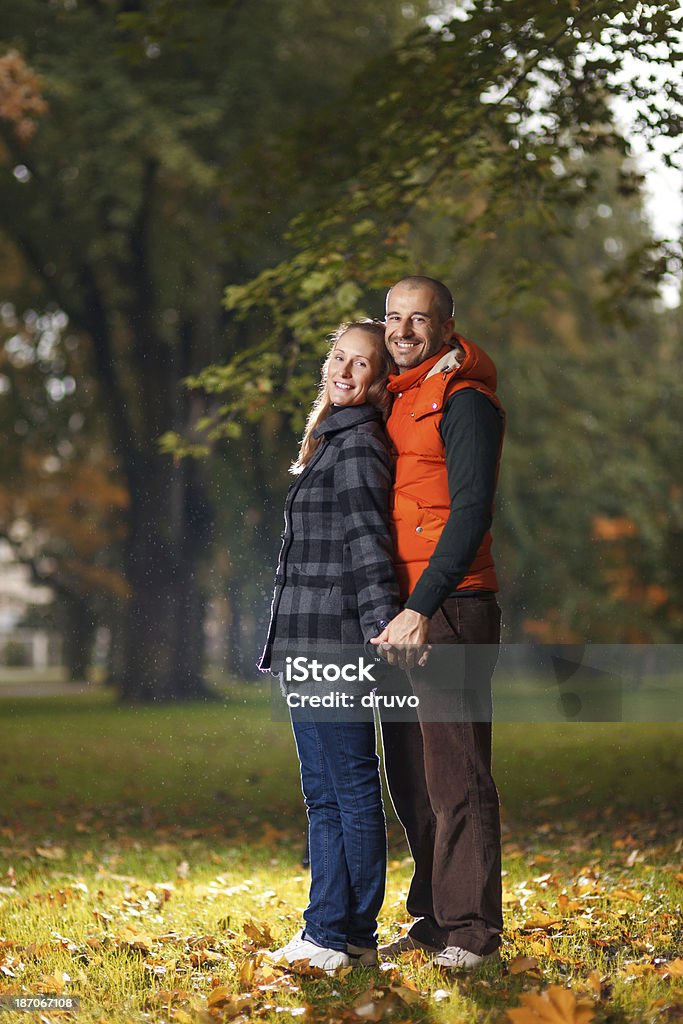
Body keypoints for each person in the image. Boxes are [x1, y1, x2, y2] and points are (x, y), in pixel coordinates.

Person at [370, 275, 505, 971]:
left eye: (418, 319)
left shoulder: (465, 400)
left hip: (448, 609)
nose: (401, 329)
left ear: (447, 327)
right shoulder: (396, 399)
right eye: (392, 317)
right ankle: (432, 918)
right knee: (413, 778)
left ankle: (473, 931)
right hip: (396, 615)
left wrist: (422, 607)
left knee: (456, 775)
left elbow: (471, 509)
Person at [259, 320, 400, 974]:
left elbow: (368, 544)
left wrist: (382, 629)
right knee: (322, 792)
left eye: (362, 364)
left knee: (349, 786)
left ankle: (353, 936)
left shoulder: (361, 443)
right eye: (339, 358)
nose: (344, 371)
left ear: (379, 379)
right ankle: (323, 930)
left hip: (339, 639)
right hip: (303, 639)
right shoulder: (328, 439)